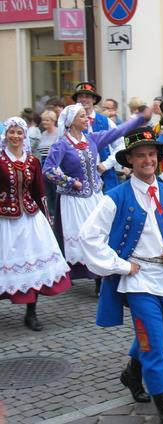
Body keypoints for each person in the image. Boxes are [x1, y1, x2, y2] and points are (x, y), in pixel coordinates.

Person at [78, 127, 163, 423]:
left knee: (156, 334)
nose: (147, 160)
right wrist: (121, 265)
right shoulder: (115, 197)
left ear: (158, 158)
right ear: (129, 160)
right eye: (140, 155)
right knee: (156, 345)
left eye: (151, 154)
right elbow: (88, 236)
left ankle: (132, 375)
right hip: (138, 279)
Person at [43, 103, 153, 283]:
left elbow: (118, 132)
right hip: (74, 200)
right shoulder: (61, 145)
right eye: (81, 116)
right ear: (71, 122)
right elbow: (48, 169)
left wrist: (140, 118)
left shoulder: (92, 139)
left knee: (102, 233)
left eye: (86, 116)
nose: (86, 119)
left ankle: (100, 277)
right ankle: (88, 274)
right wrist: (71, 182)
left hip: (95, 196)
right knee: (82, 236)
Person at [0, 117, 71, 331]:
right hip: (4, 220)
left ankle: (31, 313)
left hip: (31, 220)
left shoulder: (32, 161)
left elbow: (39, 192)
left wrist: (47, 218)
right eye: (11, 132)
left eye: (19, 132)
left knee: (33, 264)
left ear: (25, 135)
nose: (15, 136)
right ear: (6, 135)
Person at [73, 82, 123, 193]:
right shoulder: (70, 123)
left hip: (105, 176)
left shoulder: (105, 121)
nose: (83, 99)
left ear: (94, 100)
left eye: (87, 96)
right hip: (80, 178)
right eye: (80, 96)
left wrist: (107, 164)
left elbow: (121, 144)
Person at [38, 109, 60, 218]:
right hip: (43, 164)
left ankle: (57, 215)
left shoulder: (58, 133)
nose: (44, 122)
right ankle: (50, 215)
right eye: (43, 120)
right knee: (47, 192)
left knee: (55, 191)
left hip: (54, 165)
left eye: (47, 120)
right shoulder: (43, 134)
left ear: (53, 121)